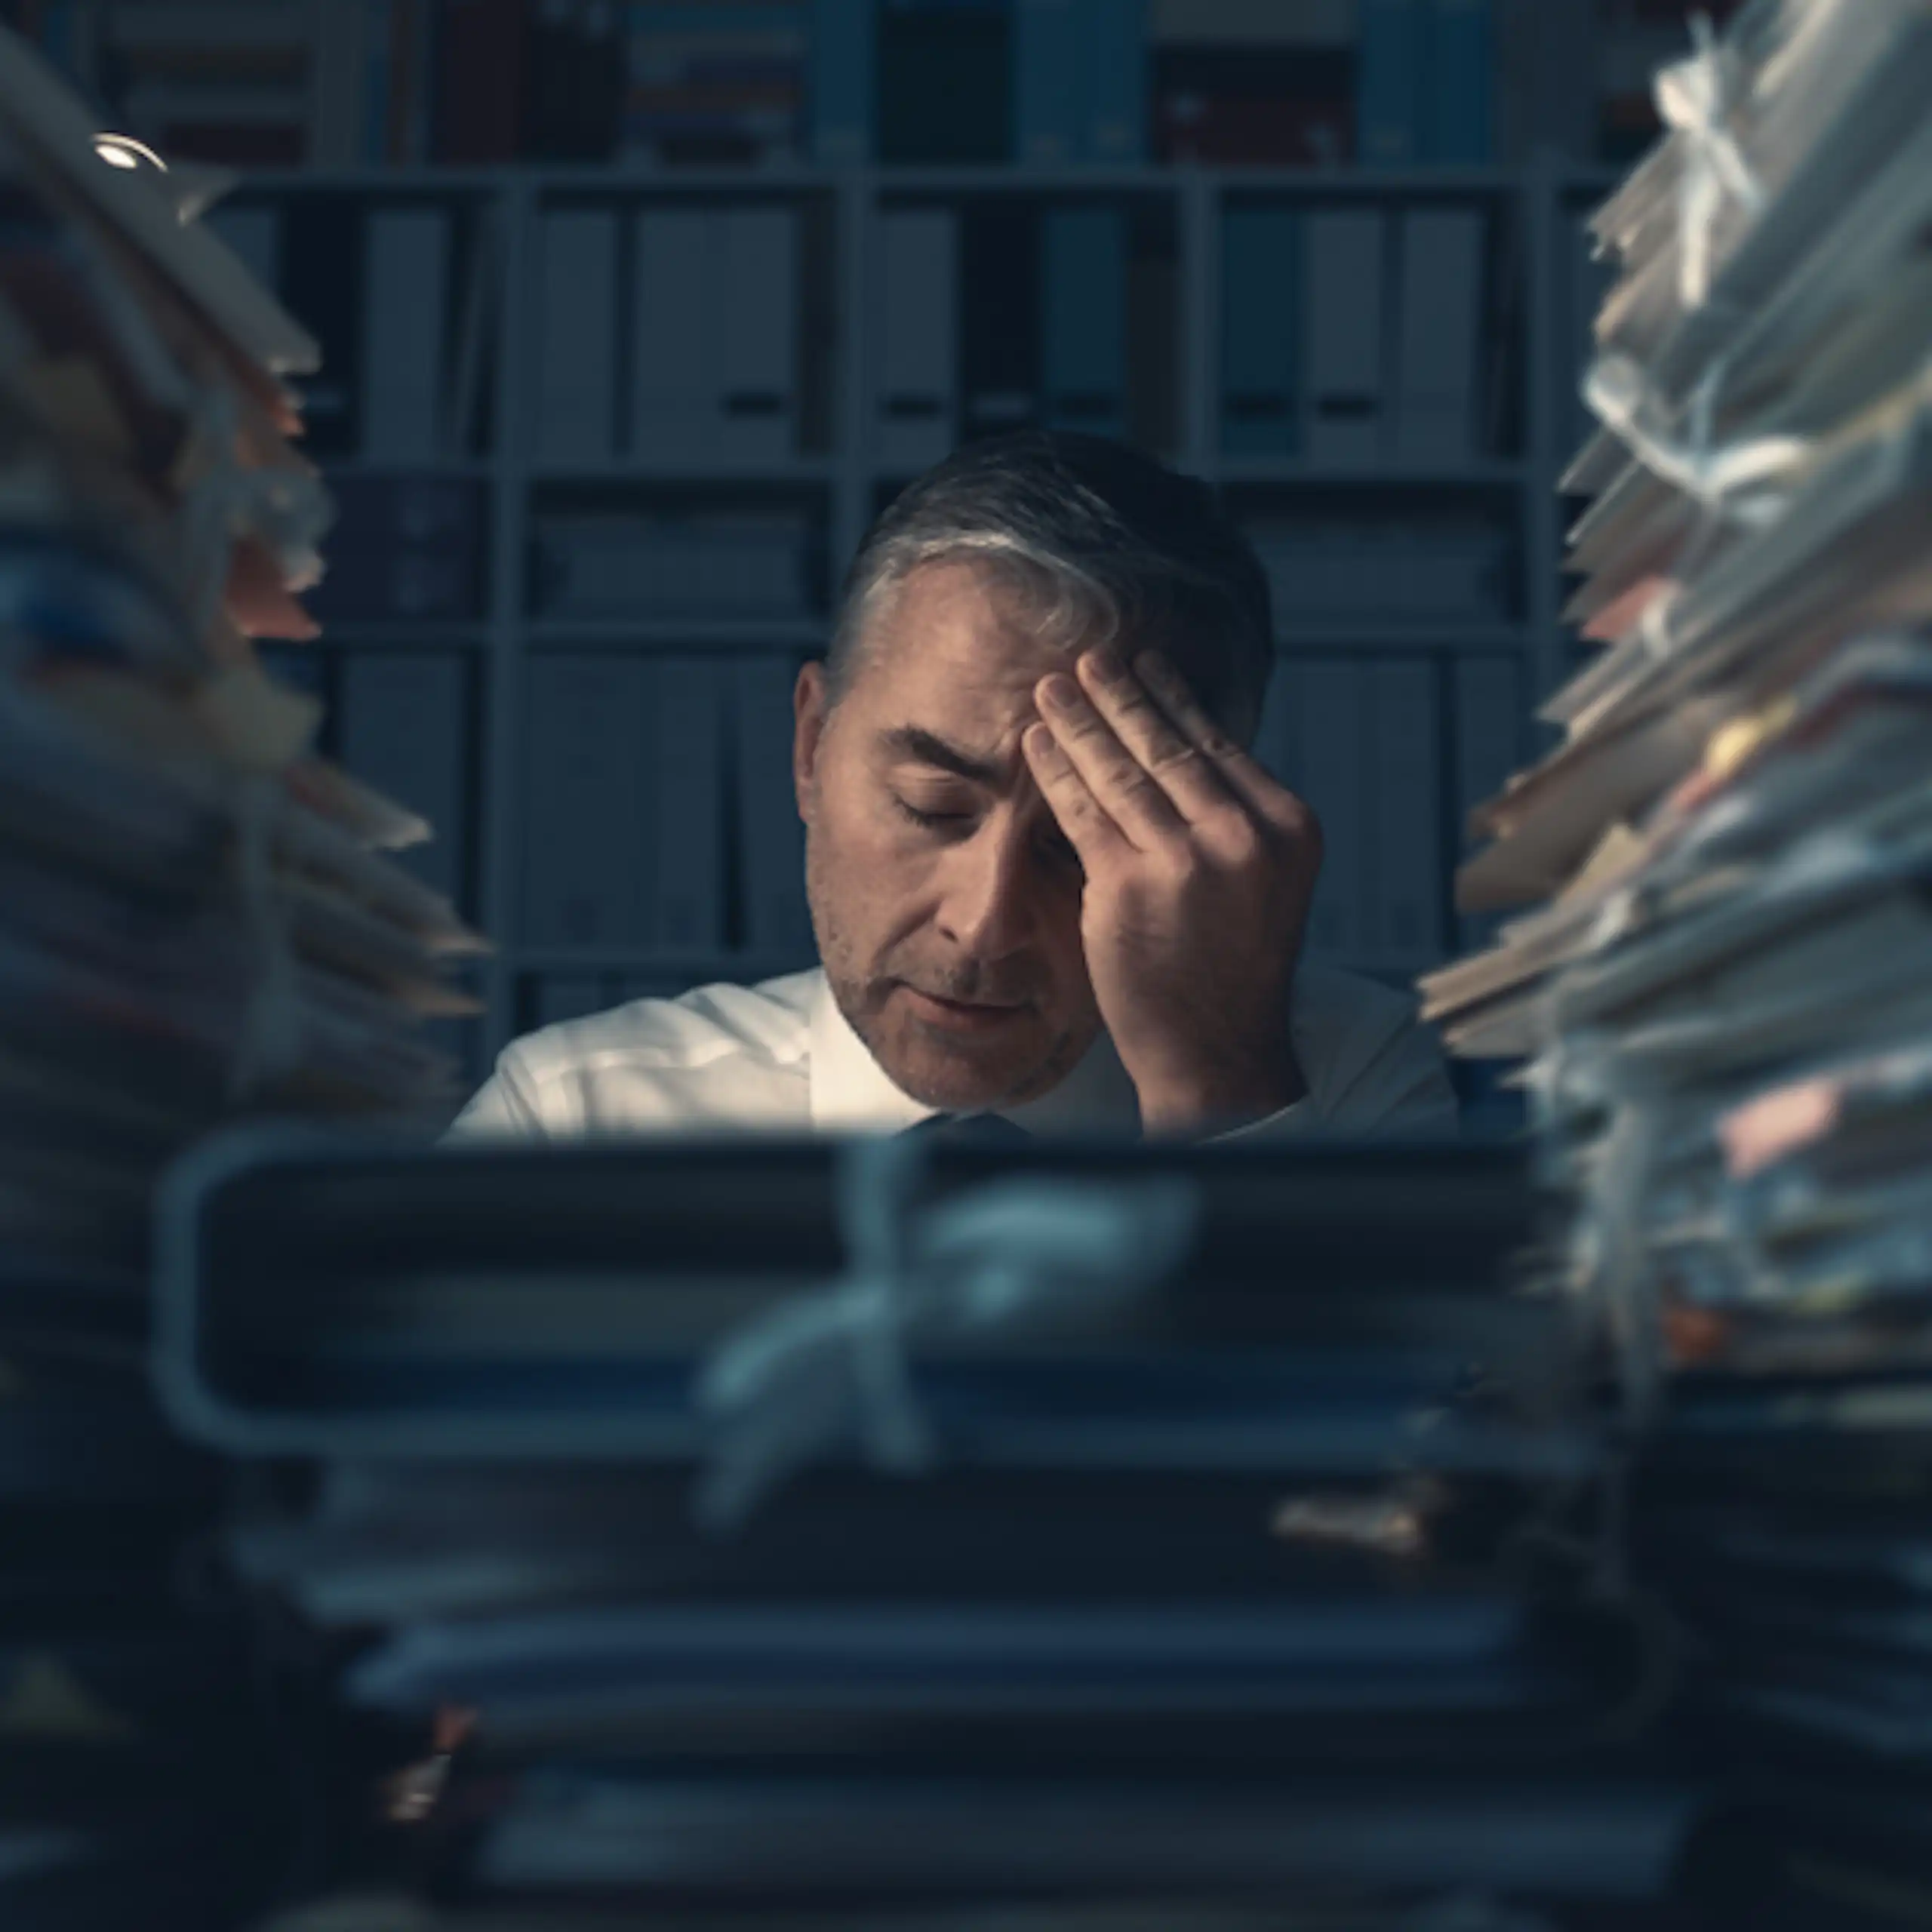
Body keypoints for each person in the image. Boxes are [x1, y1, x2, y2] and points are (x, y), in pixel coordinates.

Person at [453, 432, 1456, 1142]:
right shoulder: (576, 1119)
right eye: (932, 809)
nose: (984, 928)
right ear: (812, 746)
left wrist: (1219, 1092)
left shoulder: (1345, 1091)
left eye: (1084, 842)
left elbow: (1346, 1447)